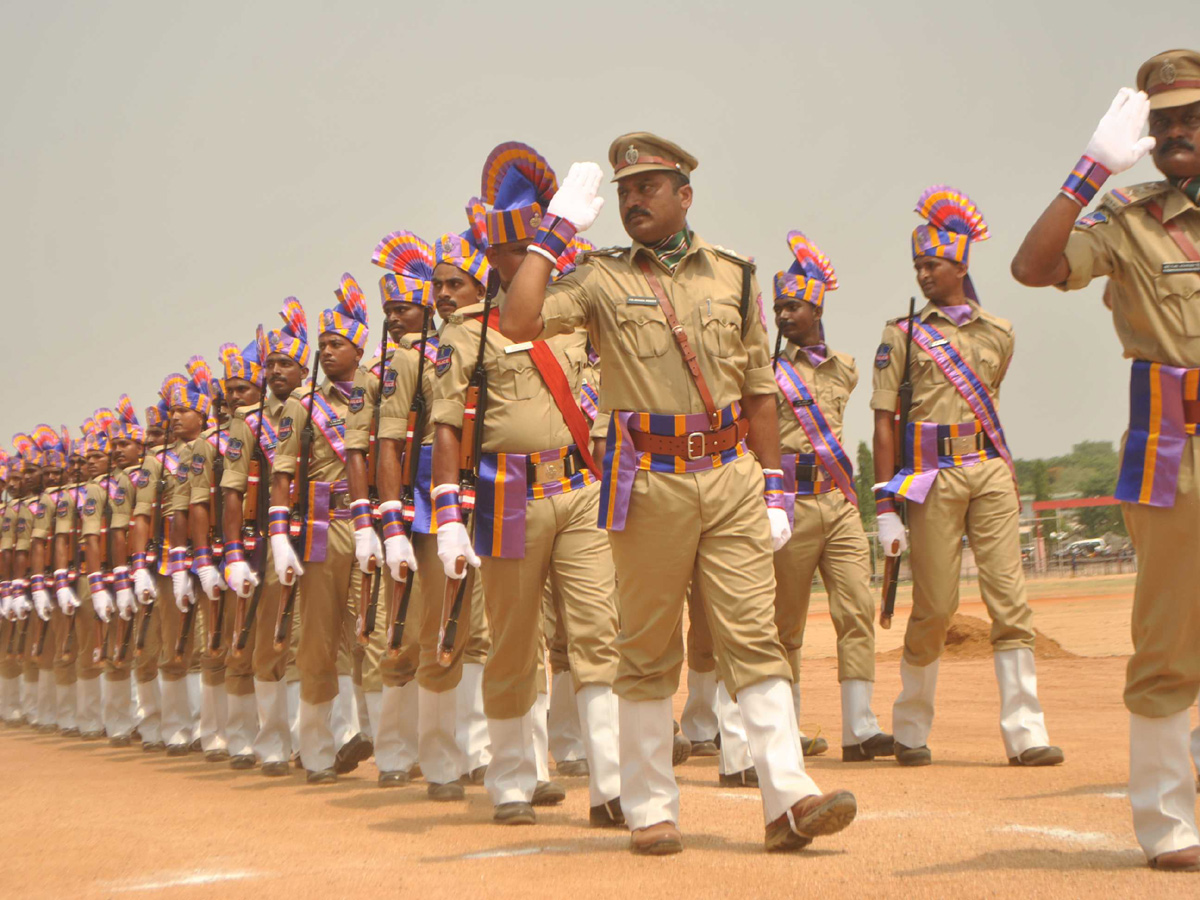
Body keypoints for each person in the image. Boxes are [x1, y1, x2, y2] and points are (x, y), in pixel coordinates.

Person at [499, 132, 857, 855]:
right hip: (649, 478)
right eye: (626, 192)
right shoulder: (596, 277)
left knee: (753, 637)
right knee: (645, 648)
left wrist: (775, 489)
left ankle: (787, 796)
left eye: (649, 188)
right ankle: (650, 806)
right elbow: (518, 322)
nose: (634, 200)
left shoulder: (734, 275)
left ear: (684, 196)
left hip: (729, 476)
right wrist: (552, 234)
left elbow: (759, 389)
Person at [1009, 48, 1200, 871]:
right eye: (1162, 123)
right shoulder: (1125, 217)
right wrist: (1089, 172)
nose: (1177, 133)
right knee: (1167, 638)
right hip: (1173, 451)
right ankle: (1167, 820)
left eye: (1192, 117)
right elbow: (1034, 267)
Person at [431, 142, 623, 827]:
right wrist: (449, 514)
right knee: (514, 642)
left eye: (533, 250)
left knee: (600, 635)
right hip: (506, 495)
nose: (524, 264)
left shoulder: (575, 312)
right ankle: (514, 777)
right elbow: (448, 425)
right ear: (497, 256)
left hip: (579, 491)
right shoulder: (467, 334)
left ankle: (611, 785)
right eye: (513, 253)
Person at [870, 185, 1062, 771]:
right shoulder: (900, 334)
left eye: (933, 264)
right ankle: (910, 727)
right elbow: (884, 423)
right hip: (932, 477)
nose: (924, 274)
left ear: (961, 264)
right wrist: (884, 506)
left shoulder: (998, 332)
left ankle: (1026, 731)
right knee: (935, 604)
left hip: (989, 472)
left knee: (1011, 599)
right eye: (918, 266)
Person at [771, 231, 892, 763]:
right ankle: (786, 728)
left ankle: (860, 728)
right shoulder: (768, 373)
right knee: (785, 625)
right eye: (777, 307)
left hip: (840, 503)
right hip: (789, 505)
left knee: (856, 611)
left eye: (792, 305)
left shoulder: (845, 366)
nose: (783, 316)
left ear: (816, 305)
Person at [270, 276, 375, 784]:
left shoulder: (378, 391)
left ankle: (381, 740)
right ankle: (314, 747)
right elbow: (282, 474)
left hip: (372, 522)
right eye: (323, 345)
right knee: (317, 639)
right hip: (321, 528)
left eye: (337, 344)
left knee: (371, 635)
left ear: (360, 347)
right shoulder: (301, 405)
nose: (328, 352)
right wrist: (278, 538)